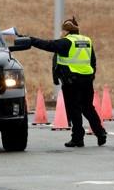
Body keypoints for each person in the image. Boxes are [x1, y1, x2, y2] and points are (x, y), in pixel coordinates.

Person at [28, 17, 107, 147]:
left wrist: (31, 40)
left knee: (74, 109)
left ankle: (77, 138)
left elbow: (47, 45)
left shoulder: (66, 42)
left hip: (72, 82)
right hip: (87, 80)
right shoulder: (87, 40)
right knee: (88, 108)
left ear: (66, 31)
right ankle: (100, 133)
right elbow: (93, 60)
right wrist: (92, 75)